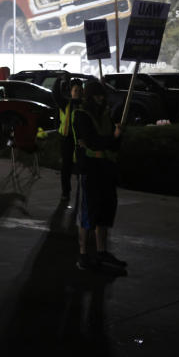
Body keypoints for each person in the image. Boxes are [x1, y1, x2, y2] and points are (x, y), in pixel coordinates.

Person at [74, 80, 126, 271]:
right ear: (89, 96)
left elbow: (112, 144)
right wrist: (112, 137)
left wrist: (117, 136)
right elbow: (92, 142)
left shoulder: (106, 114)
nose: (101, 99)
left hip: (105, 167)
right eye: (97, 95)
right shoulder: (81, 114)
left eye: (102, 95)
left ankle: (102, 252)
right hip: (90, 169)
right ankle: (83, 255)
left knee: (105, 211)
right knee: (89, 213)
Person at [53, 76, 84, 204]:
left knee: (81, 167)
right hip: (67, 139)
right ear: (71, 92)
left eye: (80, 90)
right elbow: (55, 94)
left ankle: (81, 191)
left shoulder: (85, 104)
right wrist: (59, 80)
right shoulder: (65, 103)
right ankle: (66, 192)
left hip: (81, 141)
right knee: (66, 167)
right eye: (75, 90)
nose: (78, 92)